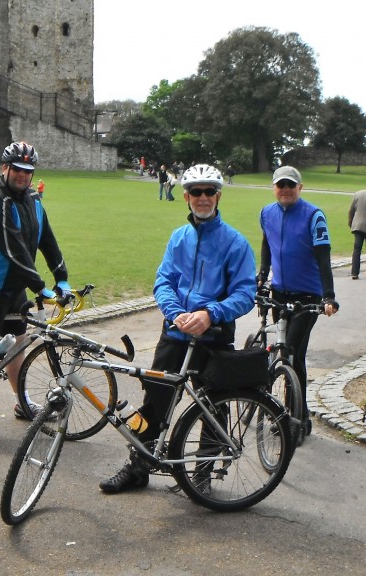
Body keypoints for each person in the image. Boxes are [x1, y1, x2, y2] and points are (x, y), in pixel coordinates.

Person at [99, 164, 256, 494]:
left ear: (218, 196)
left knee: (214, 405)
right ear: (185, 197)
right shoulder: (179, 237)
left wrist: (210, 314)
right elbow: (164, 281)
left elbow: (245, 294)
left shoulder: (235, 243)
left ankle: (202, 471)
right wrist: (176, 313)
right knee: (155, 399)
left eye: (209, 191)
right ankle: (139, 466)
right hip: (176, 330)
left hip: (213, 333)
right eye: (196, 192)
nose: (203, 198)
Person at [0, 141, 71, 452]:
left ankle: (22, 403)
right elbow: (15, 250)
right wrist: (42, 287)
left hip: (15, 287)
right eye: (17, 170)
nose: (23, 175)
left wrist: (62, 276)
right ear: (5, 169)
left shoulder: (34, 199)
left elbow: (46, 239)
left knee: (18, 347)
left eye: (28, 170)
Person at [257, 166, 338, 436]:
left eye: (291, 185)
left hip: (308, 296)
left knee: (292, 353)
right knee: (284, 353)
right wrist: (262, 275)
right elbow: (267, 243)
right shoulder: (266, 213)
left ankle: (297, 419)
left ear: (300, 188)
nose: (286, 190)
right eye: (281, 185)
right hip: (279, 292)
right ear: (274, 188)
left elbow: (323, 257)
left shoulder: (314, 216)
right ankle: (287, 412)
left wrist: (329, 295)